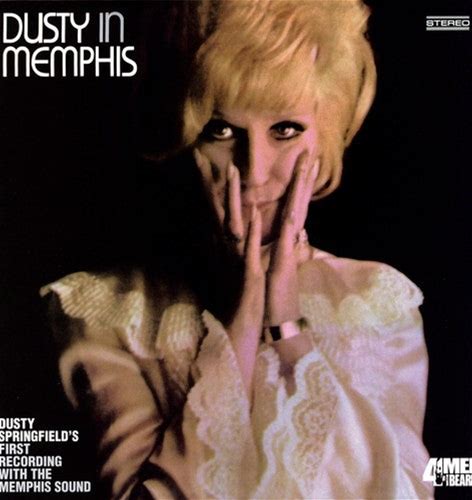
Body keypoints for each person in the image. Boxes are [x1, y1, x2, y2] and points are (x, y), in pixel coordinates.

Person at [40, 1, 433, 498]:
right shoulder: (101, 312)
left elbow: (402, 491)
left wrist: (286, 326)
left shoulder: (379, 301)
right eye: (221, 130)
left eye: (286, 129)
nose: (255, 171)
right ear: (185, 136)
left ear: (327, 134)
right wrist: (243, 320)